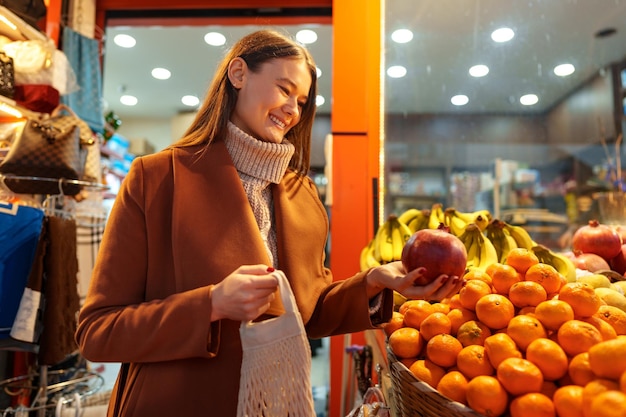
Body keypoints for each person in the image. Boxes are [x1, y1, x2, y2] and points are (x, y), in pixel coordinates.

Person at [75, 29, 463, 416]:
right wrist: (210, 304)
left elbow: (309, 313)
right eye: (283, 89)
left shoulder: (301, 194)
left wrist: (376, 281)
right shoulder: (157, 178)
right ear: (239, 74)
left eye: (301, 100)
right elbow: (98, 332)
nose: (293, 109)